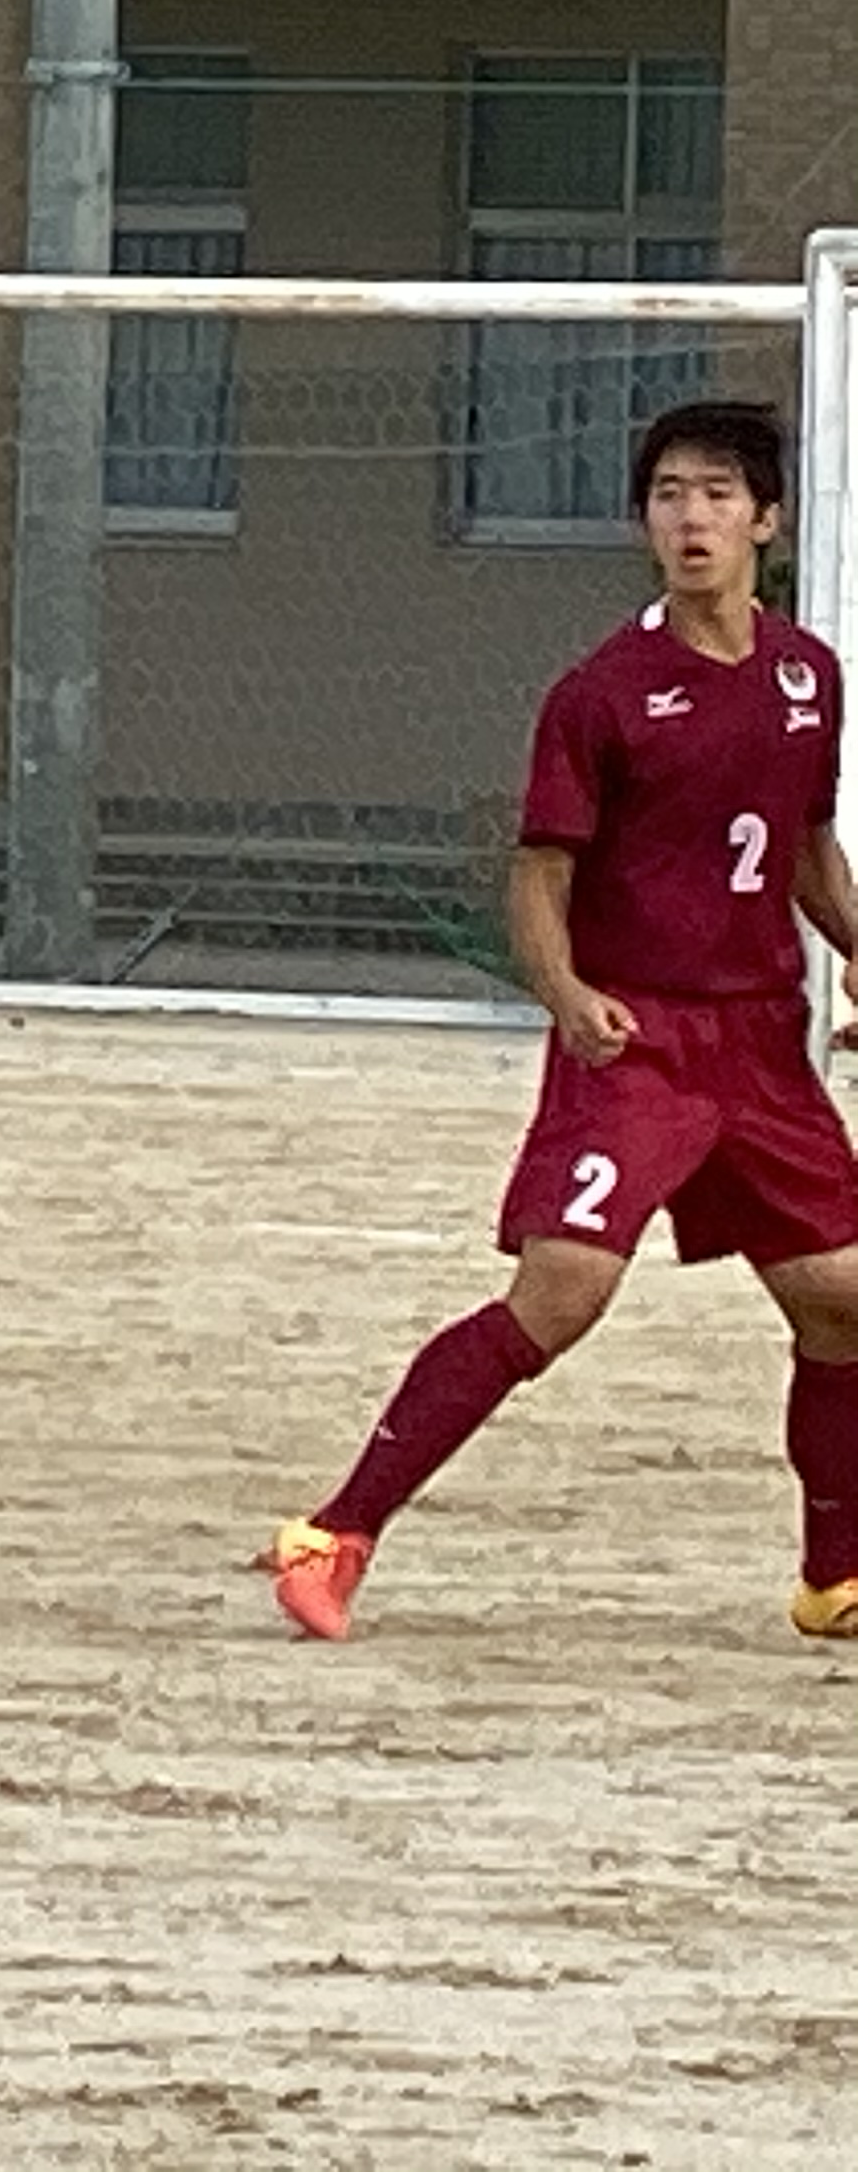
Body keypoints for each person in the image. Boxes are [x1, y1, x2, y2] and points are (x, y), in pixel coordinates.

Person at [263, 400, 858, 1644]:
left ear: (766, 519)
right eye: (668, 496)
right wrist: (567, 993)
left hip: (762, 1042)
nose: (690, 519)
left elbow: (803, 844)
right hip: (639, 1039)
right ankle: (334, 1534)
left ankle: (833, 1580)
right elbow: (538, 874)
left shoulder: (809, 674)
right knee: (565, 1290)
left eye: (716, 495)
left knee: (842, 1297)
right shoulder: (603, 695)